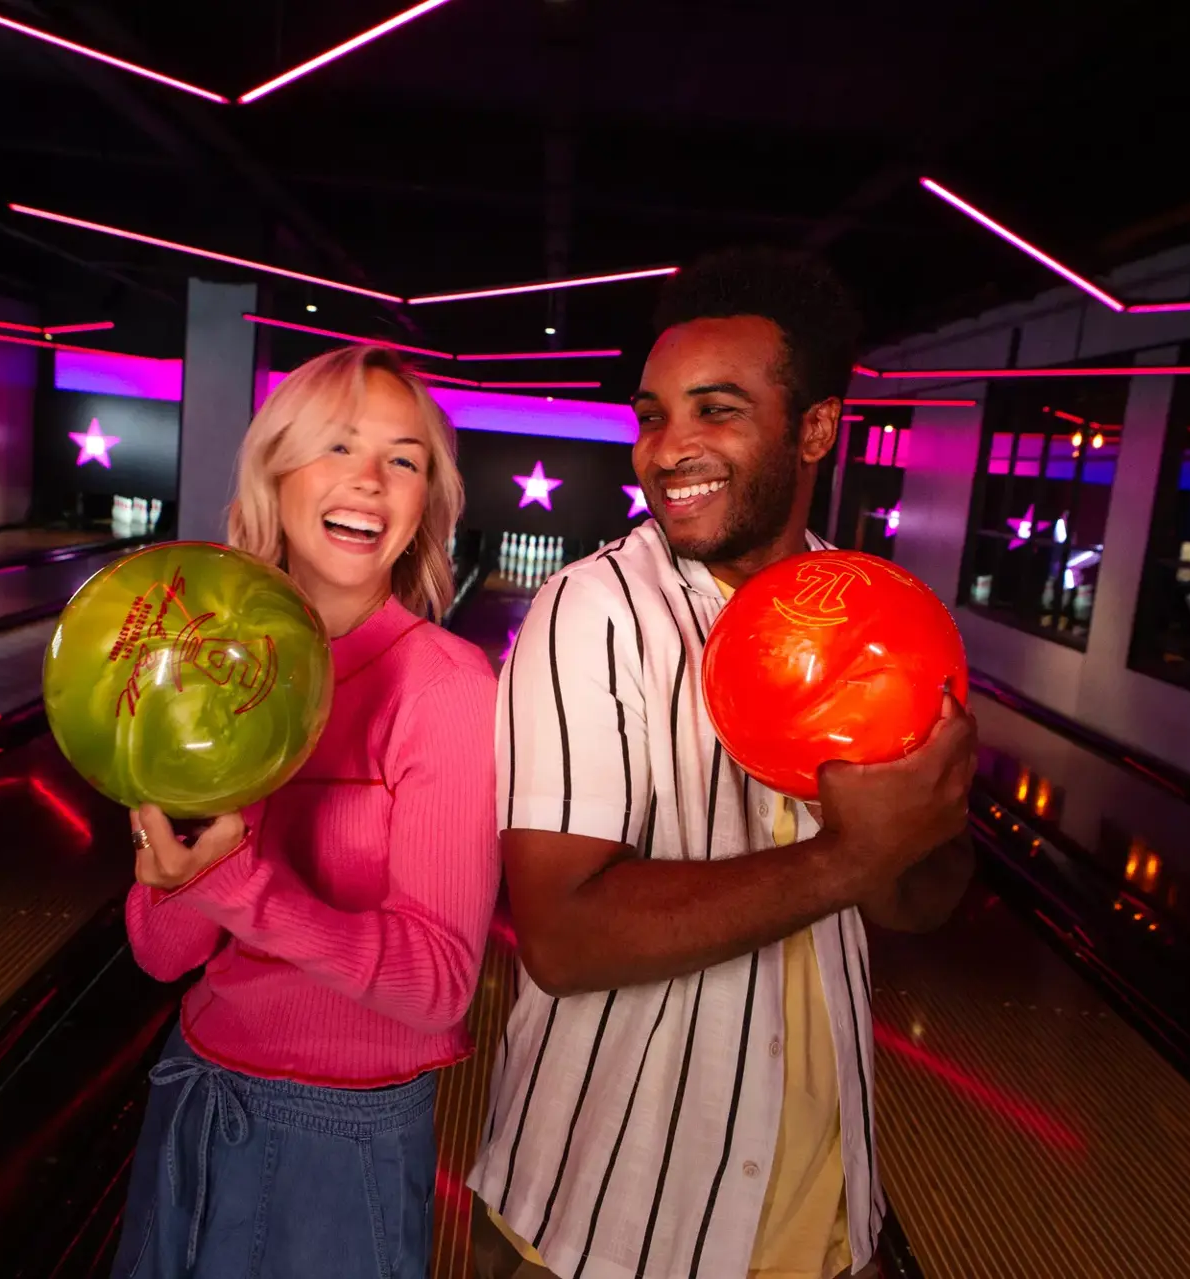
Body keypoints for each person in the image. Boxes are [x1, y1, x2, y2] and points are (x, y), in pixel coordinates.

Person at [468, 248, 977, 1279]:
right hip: (605, 1228)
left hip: (826, 1218)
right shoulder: (596, 609)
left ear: (817, 429)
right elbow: (563, 936)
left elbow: (916, 900)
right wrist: (845, 856)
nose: (668, 448)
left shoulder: (878, 620)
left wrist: (923, 830)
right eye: (654, 414)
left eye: (717, 410)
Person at [112, 345, 501, 1279]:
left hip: (342, 1134)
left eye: (404, 459)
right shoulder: (209, 667)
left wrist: (236, 883)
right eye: (335, 446)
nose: (369, 478)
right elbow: (164, 952)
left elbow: (441, 983)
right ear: (276, 473)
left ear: (424, 504)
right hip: (197, 1084)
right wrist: (179, 878)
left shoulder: (445, 688)